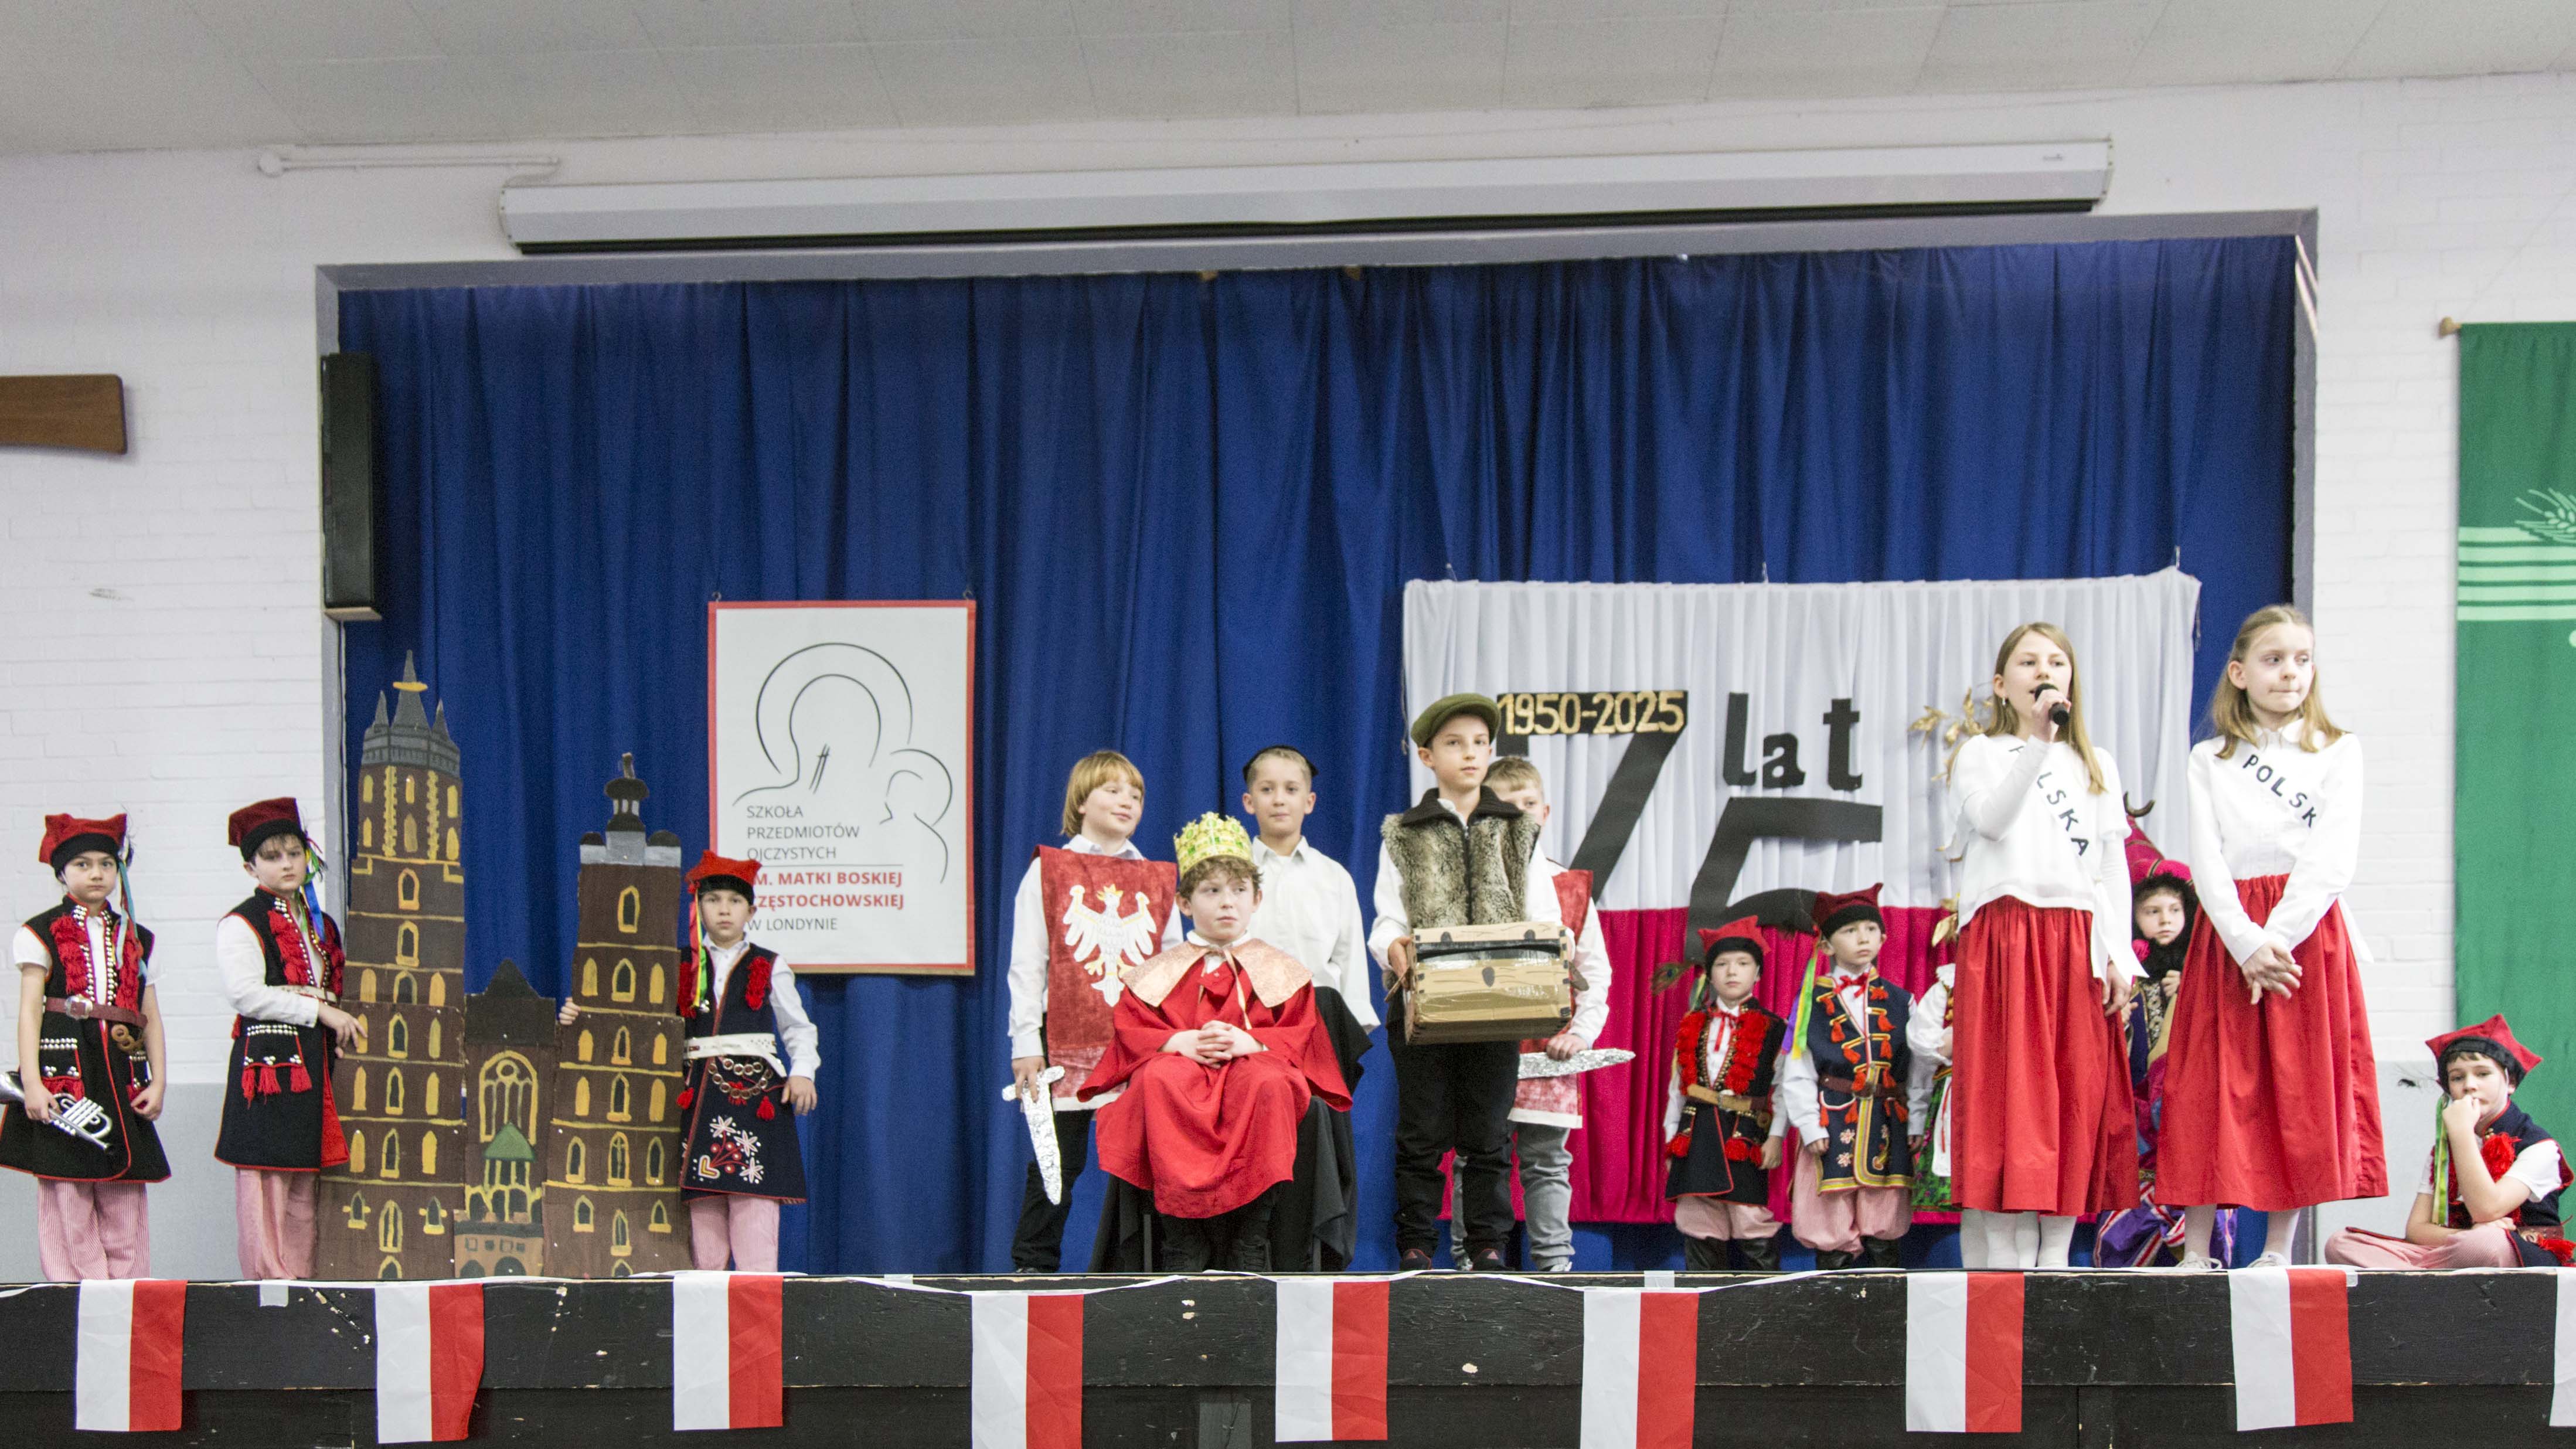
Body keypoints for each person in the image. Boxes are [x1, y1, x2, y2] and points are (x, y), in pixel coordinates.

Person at [2162, 605, 2384, 1270]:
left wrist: (2275, 940)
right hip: (2229, 935)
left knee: (2298, 1081)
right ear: (2239, 673)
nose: (2290, 672)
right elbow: (2206, 860)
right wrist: (2244, 942)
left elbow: (2332, 858)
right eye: (2274, 659)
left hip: (2303, 934)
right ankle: (2196, 1249)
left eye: (2302, 660)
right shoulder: (2210, 758)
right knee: (2209, 1083)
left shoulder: (2338, 749)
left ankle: (2278, 1250)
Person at [1946, 623, 2139, 1269]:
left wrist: (2117, 954)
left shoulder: (2095, 761)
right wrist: (2036, 742)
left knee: (2071, 1090)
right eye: (2028, 662)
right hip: (2004, 936)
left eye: (2056, 661)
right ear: (2003, 684)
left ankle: (2056, 1252)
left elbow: (2110, 865)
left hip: (2075, 936)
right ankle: (2003, 1253)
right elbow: (1992, 821)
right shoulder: (1981, 752)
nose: (2044, 671)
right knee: (2006, 1093)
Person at [1080, 814, 1350, 1271]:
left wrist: (1253, 1042)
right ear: (1185, 903)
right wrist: (1176, 1041)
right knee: (1157, 1080)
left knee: (1270, 1083)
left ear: (1256, 899)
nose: (1227, 902)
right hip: (1182, 1074)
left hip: (1254, 1070)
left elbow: (1301, 1035)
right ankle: (1183, 1239)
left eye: (1239, 890)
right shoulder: (1156, 973)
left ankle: (1251, 1237)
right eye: (1211, 891)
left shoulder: (1281, 970)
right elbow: (1132, 1031)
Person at [1370, 693, 1566, 1273]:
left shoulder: (1517, 828)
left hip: (1497, 1003)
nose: (1471, 754)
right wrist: (1393, 947)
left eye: (1480, 743)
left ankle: (1487, 1244)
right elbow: (1387, 917)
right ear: (1428, 756)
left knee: (1488, 1133)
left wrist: (1553, 945)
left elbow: (1543, 910)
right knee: (1421, 1131)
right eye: (1455, 743)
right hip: (1425, 1004)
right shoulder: (1403, 832)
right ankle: (1415, 1244)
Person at [1005, 750, 1183, 1272]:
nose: (1127, 801)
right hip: (1063, 1034)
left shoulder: (1156, 879)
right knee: (1058, 1158)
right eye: (1112, 789)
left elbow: (1171, 965)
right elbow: (1027, 963)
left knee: (1144, 1158)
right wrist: (1026, 1043)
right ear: (1082, 801)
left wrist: (1173, 1038)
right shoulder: (1049, 869)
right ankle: (1033, 1265)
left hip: (1137, 1039)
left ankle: (1141, 1266)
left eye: (1136, 794)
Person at [1444, 756, 1614, 1272]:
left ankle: (1554, 1267)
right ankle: (1469, 1262)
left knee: (1546, 1161)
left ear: (1545, 811)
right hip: (1479, 1047)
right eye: (1506, 806)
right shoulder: (1466, 884)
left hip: (1547, 1049)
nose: (1518, 815)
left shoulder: (1571, 888)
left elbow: (1595, 970)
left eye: (1527, 804)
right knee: (1474, 1158)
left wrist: (1581, 1034)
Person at [0, 815, 169, 1279]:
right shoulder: (39, 931)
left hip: (121, 1072)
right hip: (66, 1071)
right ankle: (73, 1293)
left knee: (125, 1190)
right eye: (82, 864)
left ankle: (129, 1291)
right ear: (62, 873)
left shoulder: (138, 938)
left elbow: (151, 1016)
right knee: (68, 1191)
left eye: (106, 864)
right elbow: (30, 1012)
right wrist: (33, 1083)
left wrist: (159, 1082)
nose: (97, 873)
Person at [212, 798, 362, 1280]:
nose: (286, 864)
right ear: (250, 867)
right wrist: (318, 1010)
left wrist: (334, 1021)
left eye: (294, 853)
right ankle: (268, 1281)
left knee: (306, 1175)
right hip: (271, 1062)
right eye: (273, 857)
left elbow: (333, 987)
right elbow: (246, 994)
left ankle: (303, 1278)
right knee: (268, 1175)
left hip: (317, 1058)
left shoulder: (321, 923)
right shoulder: (242, 923)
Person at [1238, 744, 1373, 1270]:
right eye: (1267, 789)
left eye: (1291, 790)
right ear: (1248, 801)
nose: (1279, 800)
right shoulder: (1233, 872)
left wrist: (1350, 1032)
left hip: (1321, 1027)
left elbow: (1348, 962)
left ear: (1310, 801)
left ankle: (1317, 1254)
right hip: (1248, 1028)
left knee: (1319, 1143)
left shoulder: (1332, 876)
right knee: (1256, 1141)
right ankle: (1252, 1250)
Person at [669, 852, 817, 1272]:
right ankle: (706, 1299)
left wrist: (802, 1073)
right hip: (697, 1097)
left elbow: (798, 1028)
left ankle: (758, 1298)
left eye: (734, 902)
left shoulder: (769, 964)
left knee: (754, 1205)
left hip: (754, 1097)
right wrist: (578, 1014)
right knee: (703, 1208)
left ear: (751, 911)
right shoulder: (679, 963)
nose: (723, 910)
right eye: (713, 900)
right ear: (698, 908)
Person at [2325, 1015, 2570, 1269]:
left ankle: (2417, 1278)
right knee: (2341, 1243)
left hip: (2514, 1254)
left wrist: (2462, 1132)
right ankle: (2432, 1279)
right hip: (2459, 1248)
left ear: (2511, 1083)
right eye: (2457, 1078)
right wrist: (2469, 1233)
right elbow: (2417, 1230)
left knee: (2486, 1244)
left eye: (2483, 1074)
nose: (2470, 1086)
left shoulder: (2539, 1147)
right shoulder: (2443, 1150)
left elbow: (2487, 1209)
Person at [2093, 828, 2233, 1268]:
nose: (2165, 920)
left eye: (2174, 910)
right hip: (2135, 1107)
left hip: (2186, 1101)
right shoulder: (2123, 972)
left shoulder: (2203, 968)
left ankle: (2196, 1253)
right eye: (2152, 911)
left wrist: (2189, 993)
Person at [1776, 885, 1914, 1268]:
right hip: (1830, 1121)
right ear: (1826, 945)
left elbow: (1916, 1071)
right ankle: (1833, 1295)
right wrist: (1809, 1126)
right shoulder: (1809, 1003)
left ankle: (1884, 1296)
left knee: (1883, 1218)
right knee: (1830, 1220)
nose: (1862, 938)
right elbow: (1797, 1071)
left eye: (1870, 930)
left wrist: (1916, 1122)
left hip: (1886, 1123)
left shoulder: (1902, 1001)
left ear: (1883, 937)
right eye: (1850, 931)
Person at [1660, 917, 1786, 1271]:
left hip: (1744, 1133)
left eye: (1743, 963)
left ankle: (1765, 1297)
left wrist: (1776, 1138)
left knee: (1750, 1215)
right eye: (1722, 964)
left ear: (1757, 973)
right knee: (1698, 1218)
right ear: (1709, 974)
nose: (1732, 972)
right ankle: (1704, 1295)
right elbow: (1677, 1090)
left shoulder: (1775, 1027)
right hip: (1695, 1132)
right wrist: (1671, 1139)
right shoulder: (1692, 1023)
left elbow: (1784, 1090)